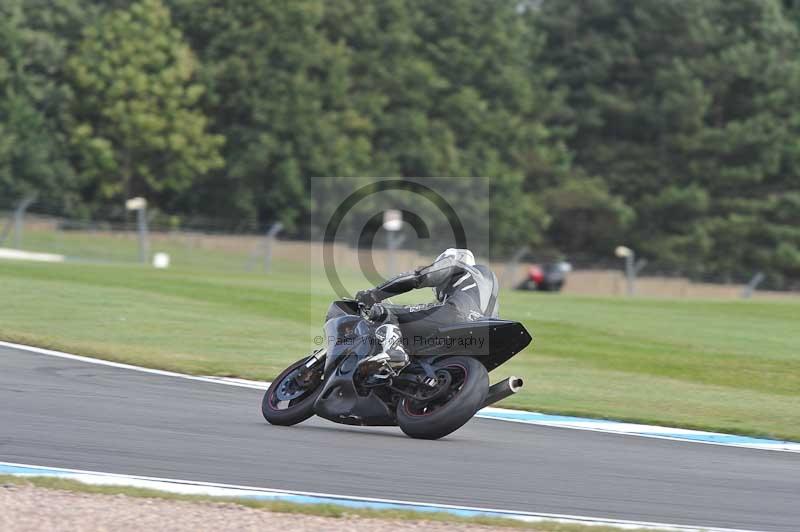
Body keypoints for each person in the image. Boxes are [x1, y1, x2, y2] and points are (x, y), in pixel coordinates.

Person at [354, 248, 499, 378]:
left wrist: (373, 295)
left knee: (387, 312)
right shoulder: (487, 286)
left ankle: (394, 351)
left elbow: (418, 277)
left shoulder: (458, 265)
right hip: (483, 338)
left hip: (456, 315)